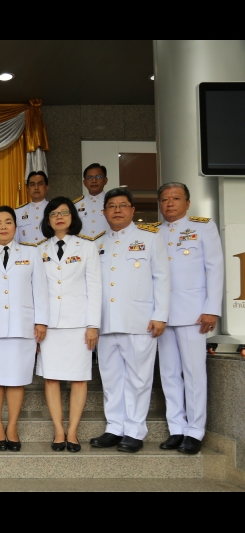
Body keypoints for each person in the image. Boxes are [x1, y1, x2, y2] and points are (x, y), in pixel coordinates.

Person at [90, 187, 170, 453]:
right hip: (106, 322)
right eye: (111, 206)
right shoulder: (97, 242)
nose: (117, 210)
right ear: (104, 212)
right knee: (111, 378)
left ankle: (134, 431)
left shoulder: (150, 237)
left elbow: (162, 277)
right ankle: (115, 427)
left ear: (132, 210)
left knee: (138, 378)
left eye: (123, 205)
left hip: (139, 321)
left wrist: (160, 315)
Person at [0, 206, 48, 452]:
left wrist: (41, 321)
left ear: (15, 226)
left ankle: (12, 426)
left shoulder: (31, 253)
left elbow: (40, 290)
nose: (3, 226)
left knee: (17, 380)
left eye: (8, 222)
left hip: (22, 327)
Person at [154, 182, 223, 455]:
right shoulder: (153, 233)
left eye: (175, 198)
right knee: (169, 373)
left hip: (194, 314)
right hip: (163, 314)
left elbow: (215, 269)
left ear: (187, 202)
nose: (169, 203)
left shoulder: (203, 228)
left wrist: (212, 308)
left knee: (194, 374)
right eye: (164, 199)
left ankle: (195, 431)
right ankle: (177, 428)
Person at [36, 197, 102, 453]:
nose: (59, 217)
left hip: (78, 324)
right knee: (51, 378)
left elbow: (94, 288)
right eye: (53, 213)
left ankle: (73, 431)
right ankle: (58, 431)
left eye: (64, 212)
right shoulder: (39, 249)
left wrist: (93, 325)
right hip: (49, 325)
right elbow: (36, 290)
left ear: (73, 216)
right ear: (48, 220)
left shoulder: (87, 247)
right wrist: (38, 322)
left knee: (79, 379)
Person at [73, 163, 110, 239]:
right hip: (83, 248)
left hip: (107, 246)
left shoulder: (112, 203)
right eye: (89, 177)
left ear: (105, 180)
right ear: (84, 183)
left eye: (98, 177)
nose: (94, 181)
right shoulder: (76, 205)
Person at [15, 171, 50, 244]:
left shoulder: (54, 209)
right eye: (32, 184)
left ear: (47, 187)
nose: (36, 188)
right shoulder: (18, 212)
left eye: (40, 184)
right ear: (27, 189)